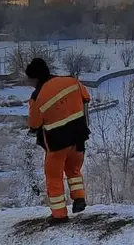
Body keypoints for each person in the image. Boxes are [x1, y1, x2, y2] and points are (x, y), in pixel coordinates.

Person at [26, 57, 91, 224]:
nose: (30, 84)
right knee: (74, 170)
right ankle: (79, 199)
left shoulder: (37, 96)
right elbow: (86, 97)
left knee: (53, 177)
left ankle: (59, 215)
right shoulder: (71, 81)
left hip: (57, 143)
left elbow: (34, 124)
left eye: (30, 80)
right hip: (79, 137)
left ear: (36, 78)